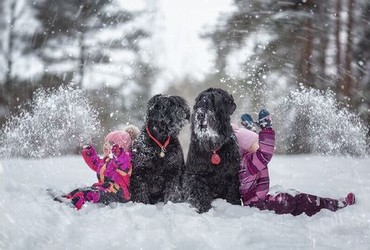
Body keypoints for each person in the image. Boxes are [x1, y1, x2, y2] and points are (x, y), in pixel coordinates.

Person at [232, 109, 355, 216]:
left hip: (259, 202)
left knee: (295, 200)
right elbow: (265, 153)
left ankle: (329, 204)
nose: (257, 143)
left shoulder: (243, 159)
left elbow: (252, 145)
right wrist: (266, 128)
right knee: (300, 200)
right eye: (253, 140)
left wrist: (249, 129)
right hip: (262, 206)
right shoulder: (247, 165)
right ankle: (333, 205)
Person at [60, 125, 139, 210]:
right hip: (105, 189)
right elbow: (96, 164)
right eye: (105, 143)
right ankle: (66, 198)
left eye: (110, 144)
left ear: (119, 147)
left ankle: (71, 206)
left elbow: (123, 162)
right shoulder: (108, 161)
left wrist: (118, 152)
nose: (105, 145)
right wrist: (88, 150)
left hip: (118, 194)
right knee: (80, 191)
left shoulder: (125, 161)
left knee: (87, 193)